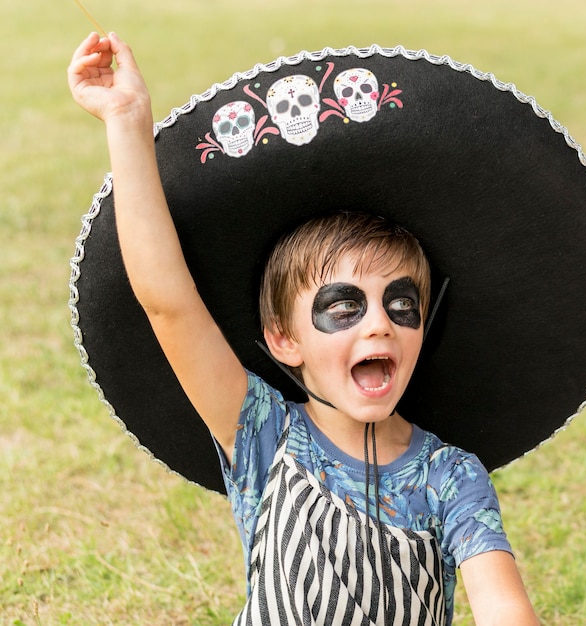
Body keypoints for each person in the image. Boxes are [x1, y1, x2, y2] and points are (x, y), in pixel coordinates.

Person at [68, 32, 540, 625]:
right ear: (282, 338)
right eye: (344, 306)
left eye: (401, 304)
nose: (380, 325)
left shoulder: (449, 476)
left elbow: (505, 609)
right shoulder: (262, 433)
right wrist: (127, 121)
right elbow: (168, 303)